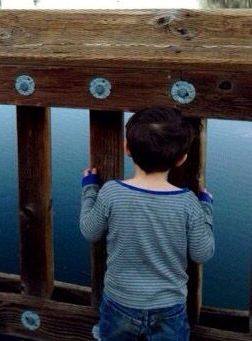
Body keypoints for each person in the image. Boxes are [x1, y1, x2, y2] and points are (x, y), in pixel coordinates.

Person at [79, 106, 214, 341]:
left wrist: (89, 189)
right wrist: (206, 209)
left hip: (119, 302)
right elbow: (202, 253)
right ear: (181, 159)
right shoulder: (187, 203)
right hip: (169, 308)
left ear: (126, 148)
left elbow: (90, 231)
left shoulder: (111, 193)